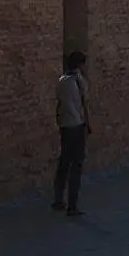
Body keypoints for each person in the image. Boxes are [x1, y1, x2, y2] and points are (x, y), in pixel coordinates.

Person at [52, 50, 91, 217]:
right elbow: (84, 104)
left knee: (64, 163)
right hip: (76, 125)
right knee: (76, 165)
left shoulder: (61, 81)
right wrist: (88, 124)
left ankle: (58, 200)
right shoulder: (79, 81)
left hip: (65, 125)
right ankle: (72, 205)